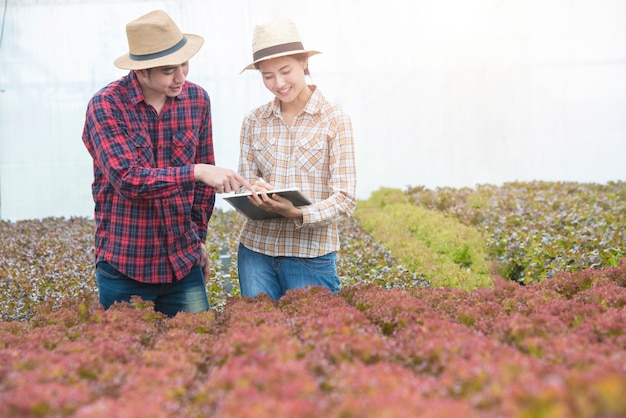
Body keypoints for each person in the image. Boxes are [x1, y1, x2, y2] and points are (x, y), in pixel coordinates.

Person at [82, 10, 252, 317]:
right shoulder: (106, 105)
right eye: (167, 70)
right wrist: (196, 172)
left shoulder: (197, 100)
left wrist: (197, 239)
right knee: (126, 360)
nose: (181, 77)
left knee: (196, 354)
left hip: (182, 266)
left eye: (184, 64)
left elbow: (203, 191)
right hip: (125, 265)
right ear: (141, 71)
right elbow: (128, 180)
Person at [237, 18, 357, 300]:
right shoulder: (254, 121)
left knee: (312, 341)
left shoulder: (335, 120)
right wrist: (252, 191)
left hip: (310, 255)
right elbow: (245, 182)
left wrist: (298, 212)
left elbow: (345, 198)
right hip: (256, 252)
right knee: (259, 338)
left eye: (285, 71)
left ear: (304, 62)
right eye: (267, 75)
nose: (278, 83)